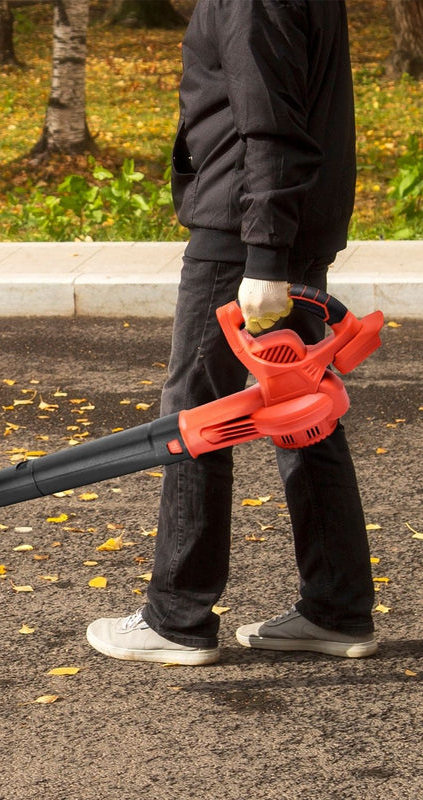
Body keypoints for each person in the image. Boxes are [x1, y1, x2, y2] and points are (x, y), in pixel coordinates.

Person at [86, 0, 377, 665]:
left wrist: (265, 259)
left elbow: (271, 125)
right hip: (287, 226)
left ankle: (176, 617)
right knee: (303, 411)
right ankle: (337, 609)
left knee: (197, 410)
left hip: (245, 237)